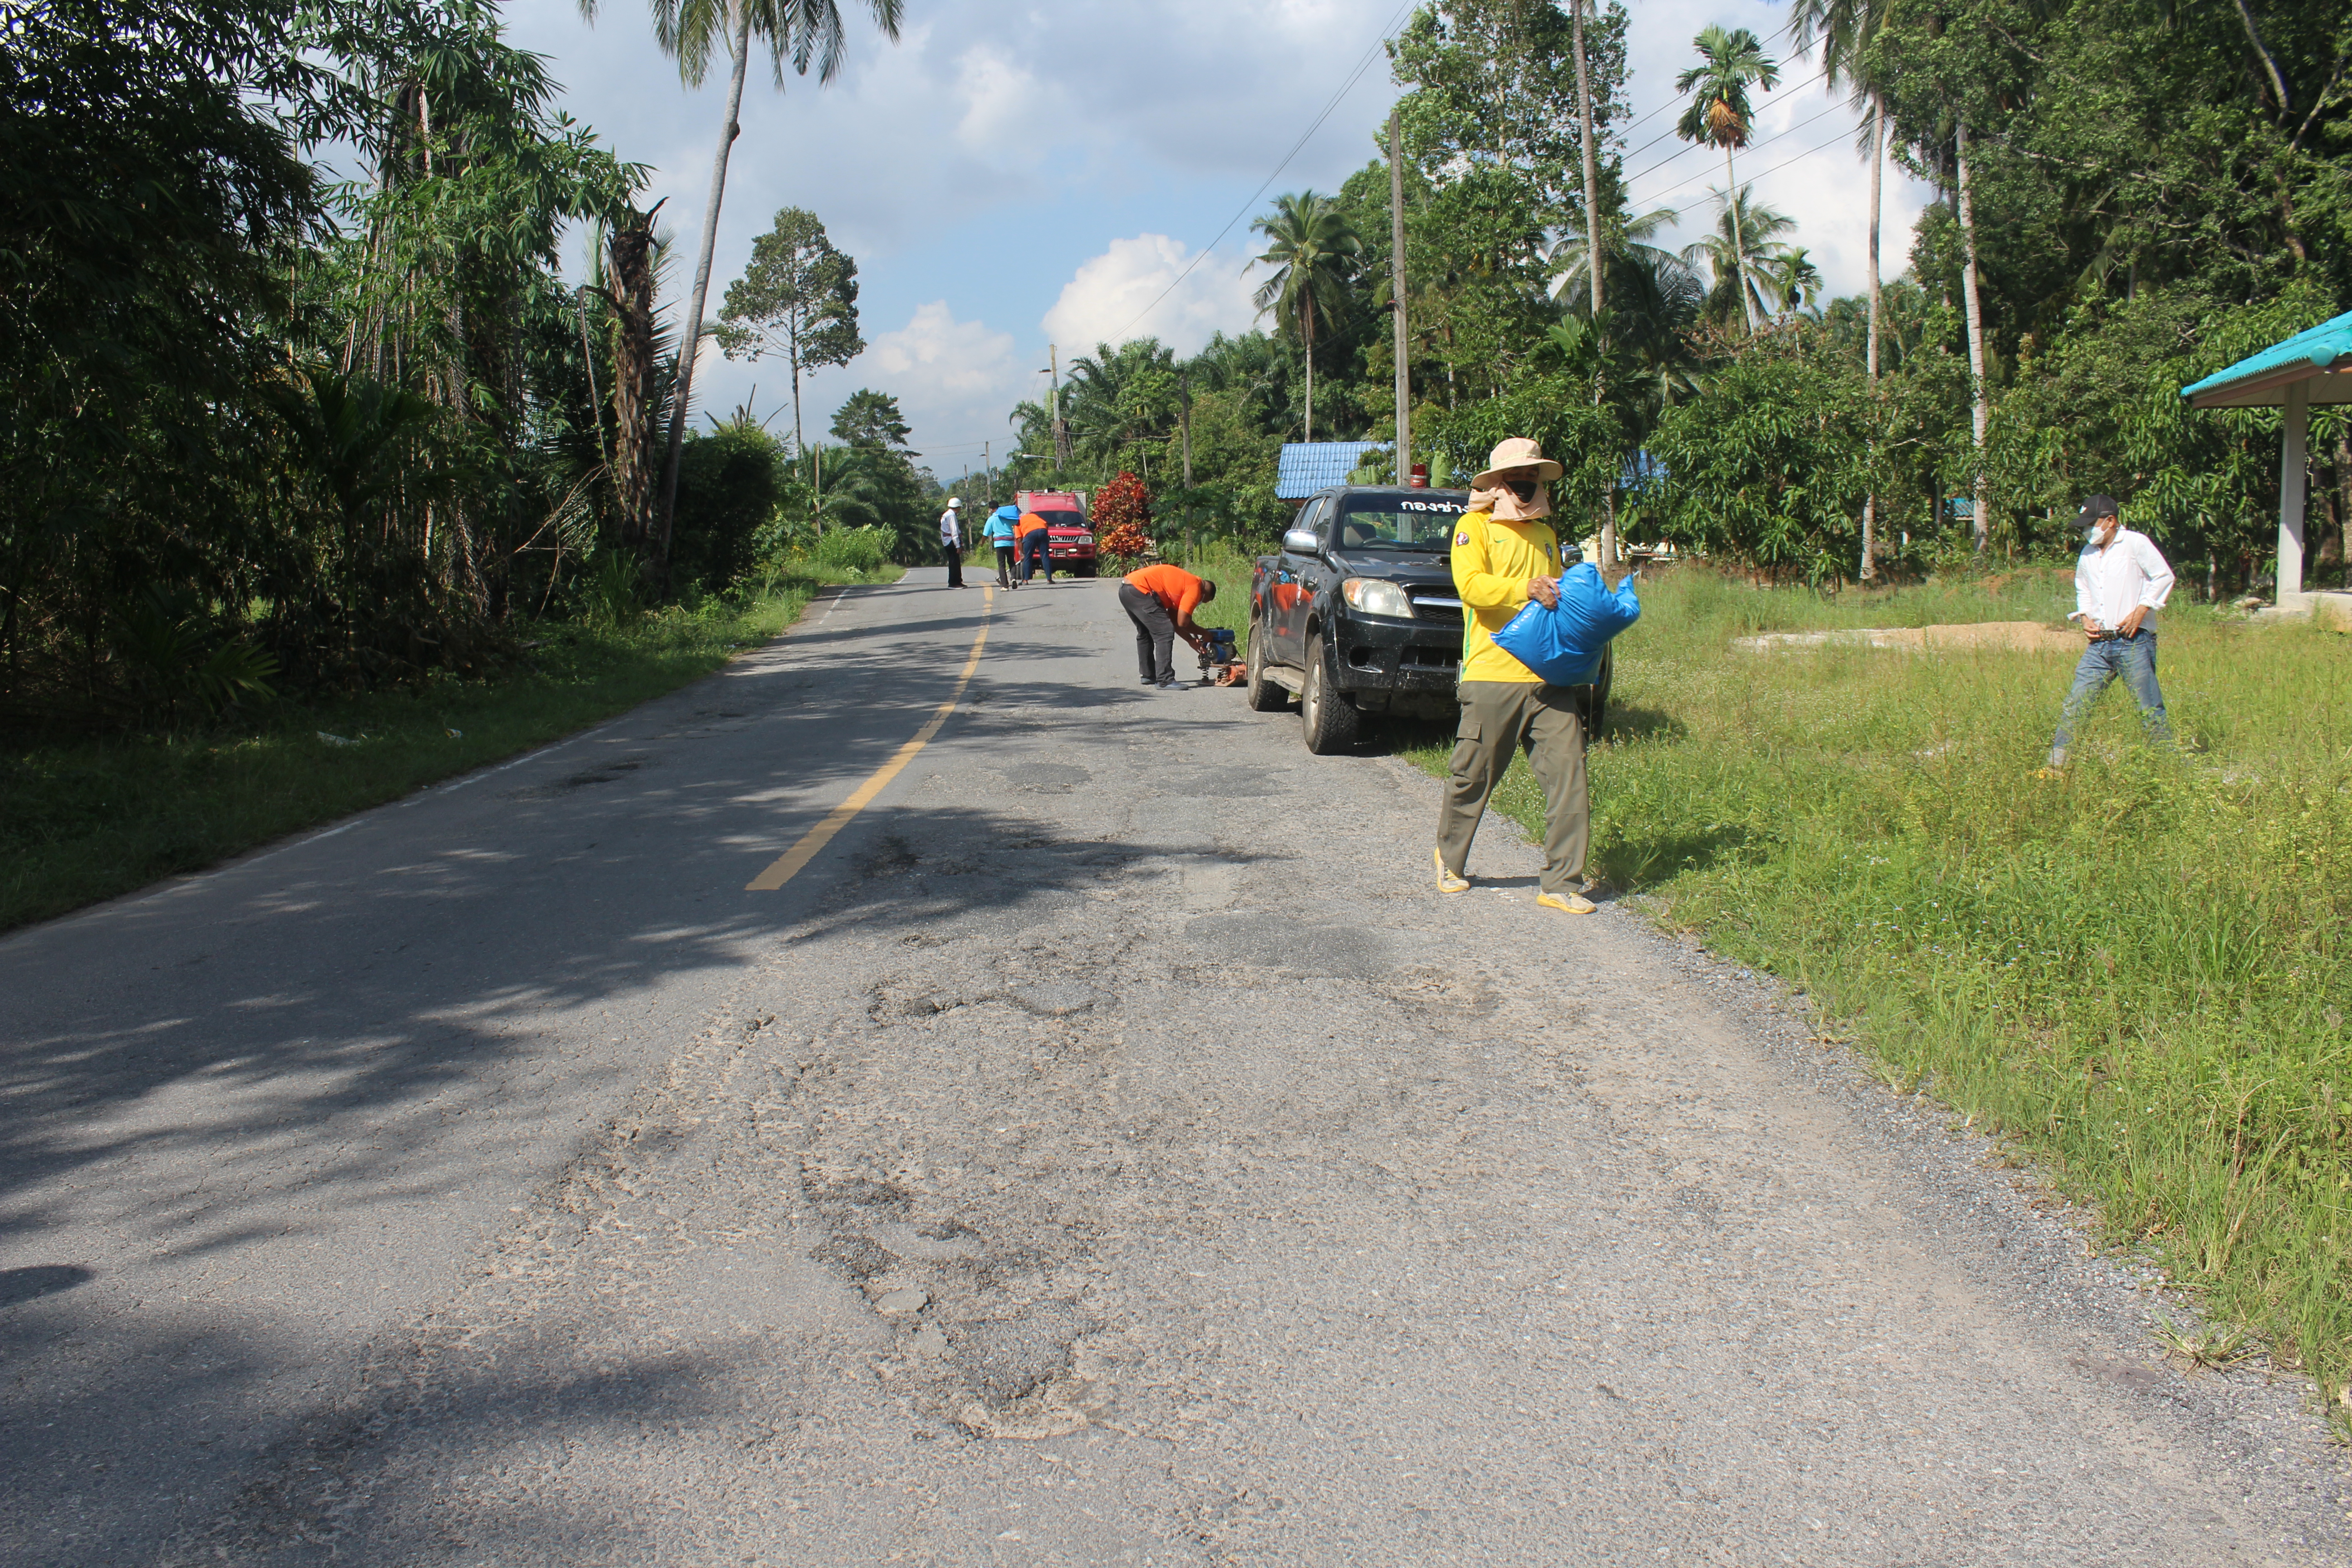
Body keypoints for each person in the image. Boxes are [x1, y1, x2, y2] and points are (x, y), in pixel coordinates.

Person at [1435, 436, 1595, 916]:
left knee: (1570, 776)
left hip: (1549, 677)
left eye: (1534, 477)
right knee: (1472, 776)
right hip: (1491, 674)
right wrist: (1526, 588)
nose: (1528, 484)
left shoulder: (1546, 535)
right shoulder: (1474, 527)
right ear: (1499, 481)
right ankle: (1450, 859)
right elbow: (1472, 588)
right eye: (1519, 477)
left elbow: (1556, 594)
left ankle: (1562, 881)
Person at [2041, 495, 2176, 773]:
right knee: (2076, 705)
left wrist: (2142, 610)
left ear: (2111, 521)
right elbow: (2084, 588)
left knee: (2149, 709)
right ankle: (2056, 769)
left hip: (2133, 642)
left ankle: (2169, 769)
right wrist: (2085, 616)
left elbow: (2163, 576)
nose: (2087, 531)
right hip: (2099, 644)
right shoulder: (2088, 554)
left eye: (2092, 524)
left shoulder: (2135, 544)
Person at [1119, 563, 1215, 689]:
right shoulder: (1195, 587)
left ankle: (1148, 675)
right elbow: (1183, 622)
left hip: (1127, 589)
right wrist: (1206, 634)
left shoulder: (1184, 585)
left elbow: (1175, 621)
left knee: (1146, 632)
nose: (1199, 603)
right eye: (1204, 601)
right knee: (1164, 632)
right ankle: (1165, 680)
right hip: (1141, 590)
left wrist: (1190, 640)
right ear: (1205, 594)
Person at [985, 504, 1021, 588]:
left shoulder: (991, 519)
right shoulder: (1007, 517)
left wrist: (982, 542)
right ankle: (1013, 578)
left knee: (1001, 565)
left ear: (991, 509)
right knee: (1012, 562)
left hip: (999, 544)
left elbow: (986, 534)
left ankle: (1005, 585)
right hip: (1010, 542)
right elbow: (1017, 523)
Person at [1016, 508, 1054, 585]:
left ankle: (1025, 580)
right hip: (1043, 531)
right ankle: (1049, 580)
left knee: (1028, 557)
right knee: (1045, 556)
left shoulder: (1017, 522)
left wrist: (1022, 553)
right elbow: (1046, 525)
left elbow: (1019, 540)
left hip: (1030, 534)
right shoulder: (1033, 516)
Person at [937, 496, 965, 588]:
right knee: (954, 563)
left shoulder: (946, 514)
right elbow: (954, 531)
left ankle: (958, 581)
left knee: (954, 562)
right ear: (957, 507)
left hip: (946, 541)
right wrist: (958, 545)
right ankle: (954, 582)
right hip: (952, 541)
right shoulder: (952, 516)